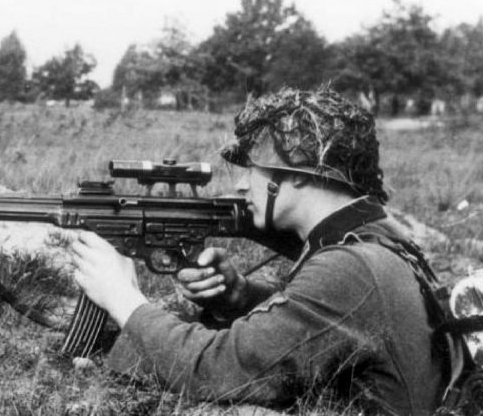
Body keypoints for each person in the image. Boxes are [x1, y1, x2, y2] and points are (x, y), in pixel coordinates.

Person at [69, 87, 446, 415]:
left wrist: (122, 298)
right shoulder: (373, 236)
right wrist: (242, 298)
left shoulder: (351, 268)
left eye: (254, 169)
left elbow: (215, 371)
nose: (243, 184)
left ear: (298, 171)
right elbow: (329, 324)